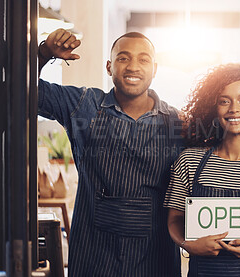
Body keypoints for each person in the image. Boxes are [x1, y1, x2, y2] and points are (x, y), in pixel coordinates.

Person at [38, 29, 183, 276]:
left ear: (155, 69)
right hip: (94, 260)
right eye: (123, 58)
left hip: (156, 261)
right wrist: (42, 54)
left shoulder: (176, 122)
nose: (133, 66)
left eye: (143, 59)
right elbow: (20, 90)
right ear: (109, 67)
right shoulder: (84, 105)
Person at [164, 63, 240, 276]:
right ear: (215, 108)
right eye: (225, 101)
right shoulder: (190, 161)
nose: (234, 109)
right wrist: (188, 245)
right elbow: (174, 219)